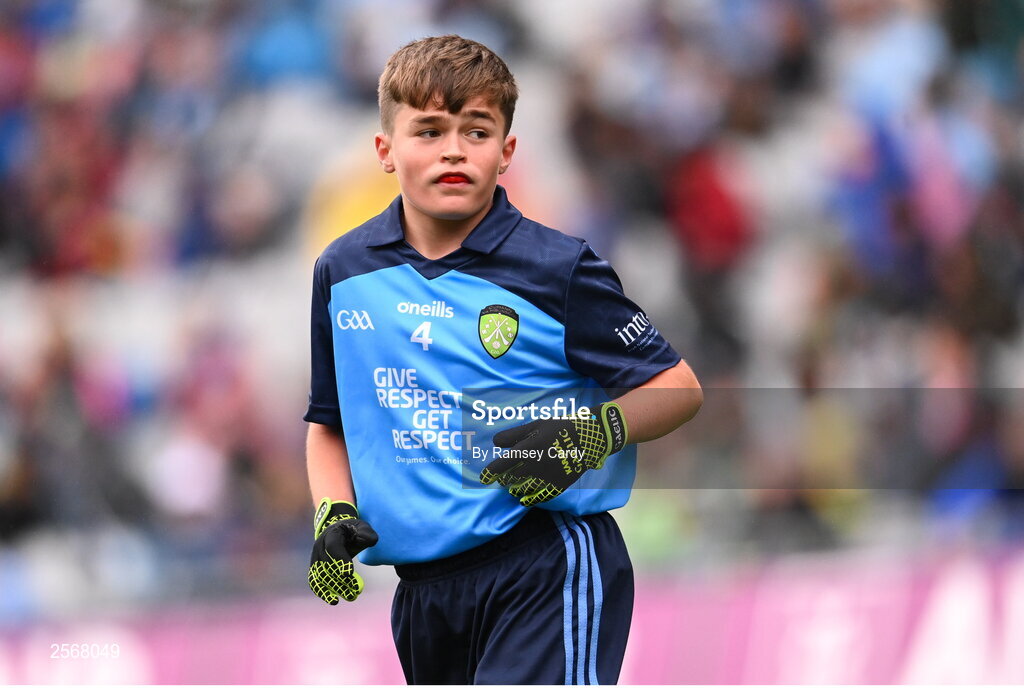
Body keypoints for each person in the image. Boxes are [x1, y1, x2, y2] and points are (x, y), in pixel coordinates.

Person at [303, 34, 702, 685]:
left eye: (476, 131)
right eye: (428, 131)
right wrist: (332, 510)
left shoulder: (557, 268)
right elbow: (329, 422)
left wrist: (589, 435)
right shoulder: (342, 271)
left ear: (506, 151)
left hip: (543, 563)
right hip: (425, 597)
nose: (453, 149)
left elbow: (678, 387)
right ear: (385, 150)